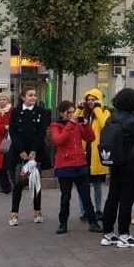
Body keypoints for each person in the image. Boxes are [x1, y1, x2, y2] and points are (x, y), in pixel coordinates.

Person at [97, 88, 134, 248]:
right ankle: (124, 234)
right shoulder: (133, 119)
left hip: (115, 161)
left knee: (113, 195)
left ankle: (108, 233)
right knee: (127, 197)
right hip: (132, 162)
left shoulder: (112, 117)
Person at [48, 100, 100, 234]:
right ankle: (63, 223)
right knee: (66, 197)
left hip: (80, 165)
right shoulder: (56, 125)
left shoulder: (77, 124)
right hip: (65, 166)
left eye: (73, 112)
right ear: (61, 113)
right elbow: (59, 140)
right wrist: (70, 124)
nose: (72, 115)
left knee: (86, 196)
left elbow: (90, 138)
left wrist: (86, 125)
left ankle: (93, 223)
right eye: (68, 112)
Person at [7, 87, 50, 226]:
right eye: (30, 95)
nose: (33, 97)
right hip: (19, 153)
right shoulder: (15, 112)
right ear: (23, 97)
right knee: (18, 184)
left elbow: (41, 132)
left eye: (35, 95)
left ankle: (37, 212)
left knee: (35, 182)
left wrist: (34, 151)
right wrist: (21, 151)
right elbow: (13, 132)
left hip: (35, 153)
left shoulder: (41, 112)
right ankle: (14, 214)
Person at [78, 88, 110, 227]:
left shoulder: (104, 111)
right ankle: (84, 211)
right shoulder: (84, 113)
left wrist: (97, 109)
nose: (90, 102)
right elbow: (73, 121)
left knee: (97, 185)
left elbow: (104, 124)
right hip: (84, 153)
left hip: (97, 154)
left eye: (93, 100)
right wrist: (79, 109)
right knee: (83, 186)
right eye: (88, 100)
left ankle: (98, 210)